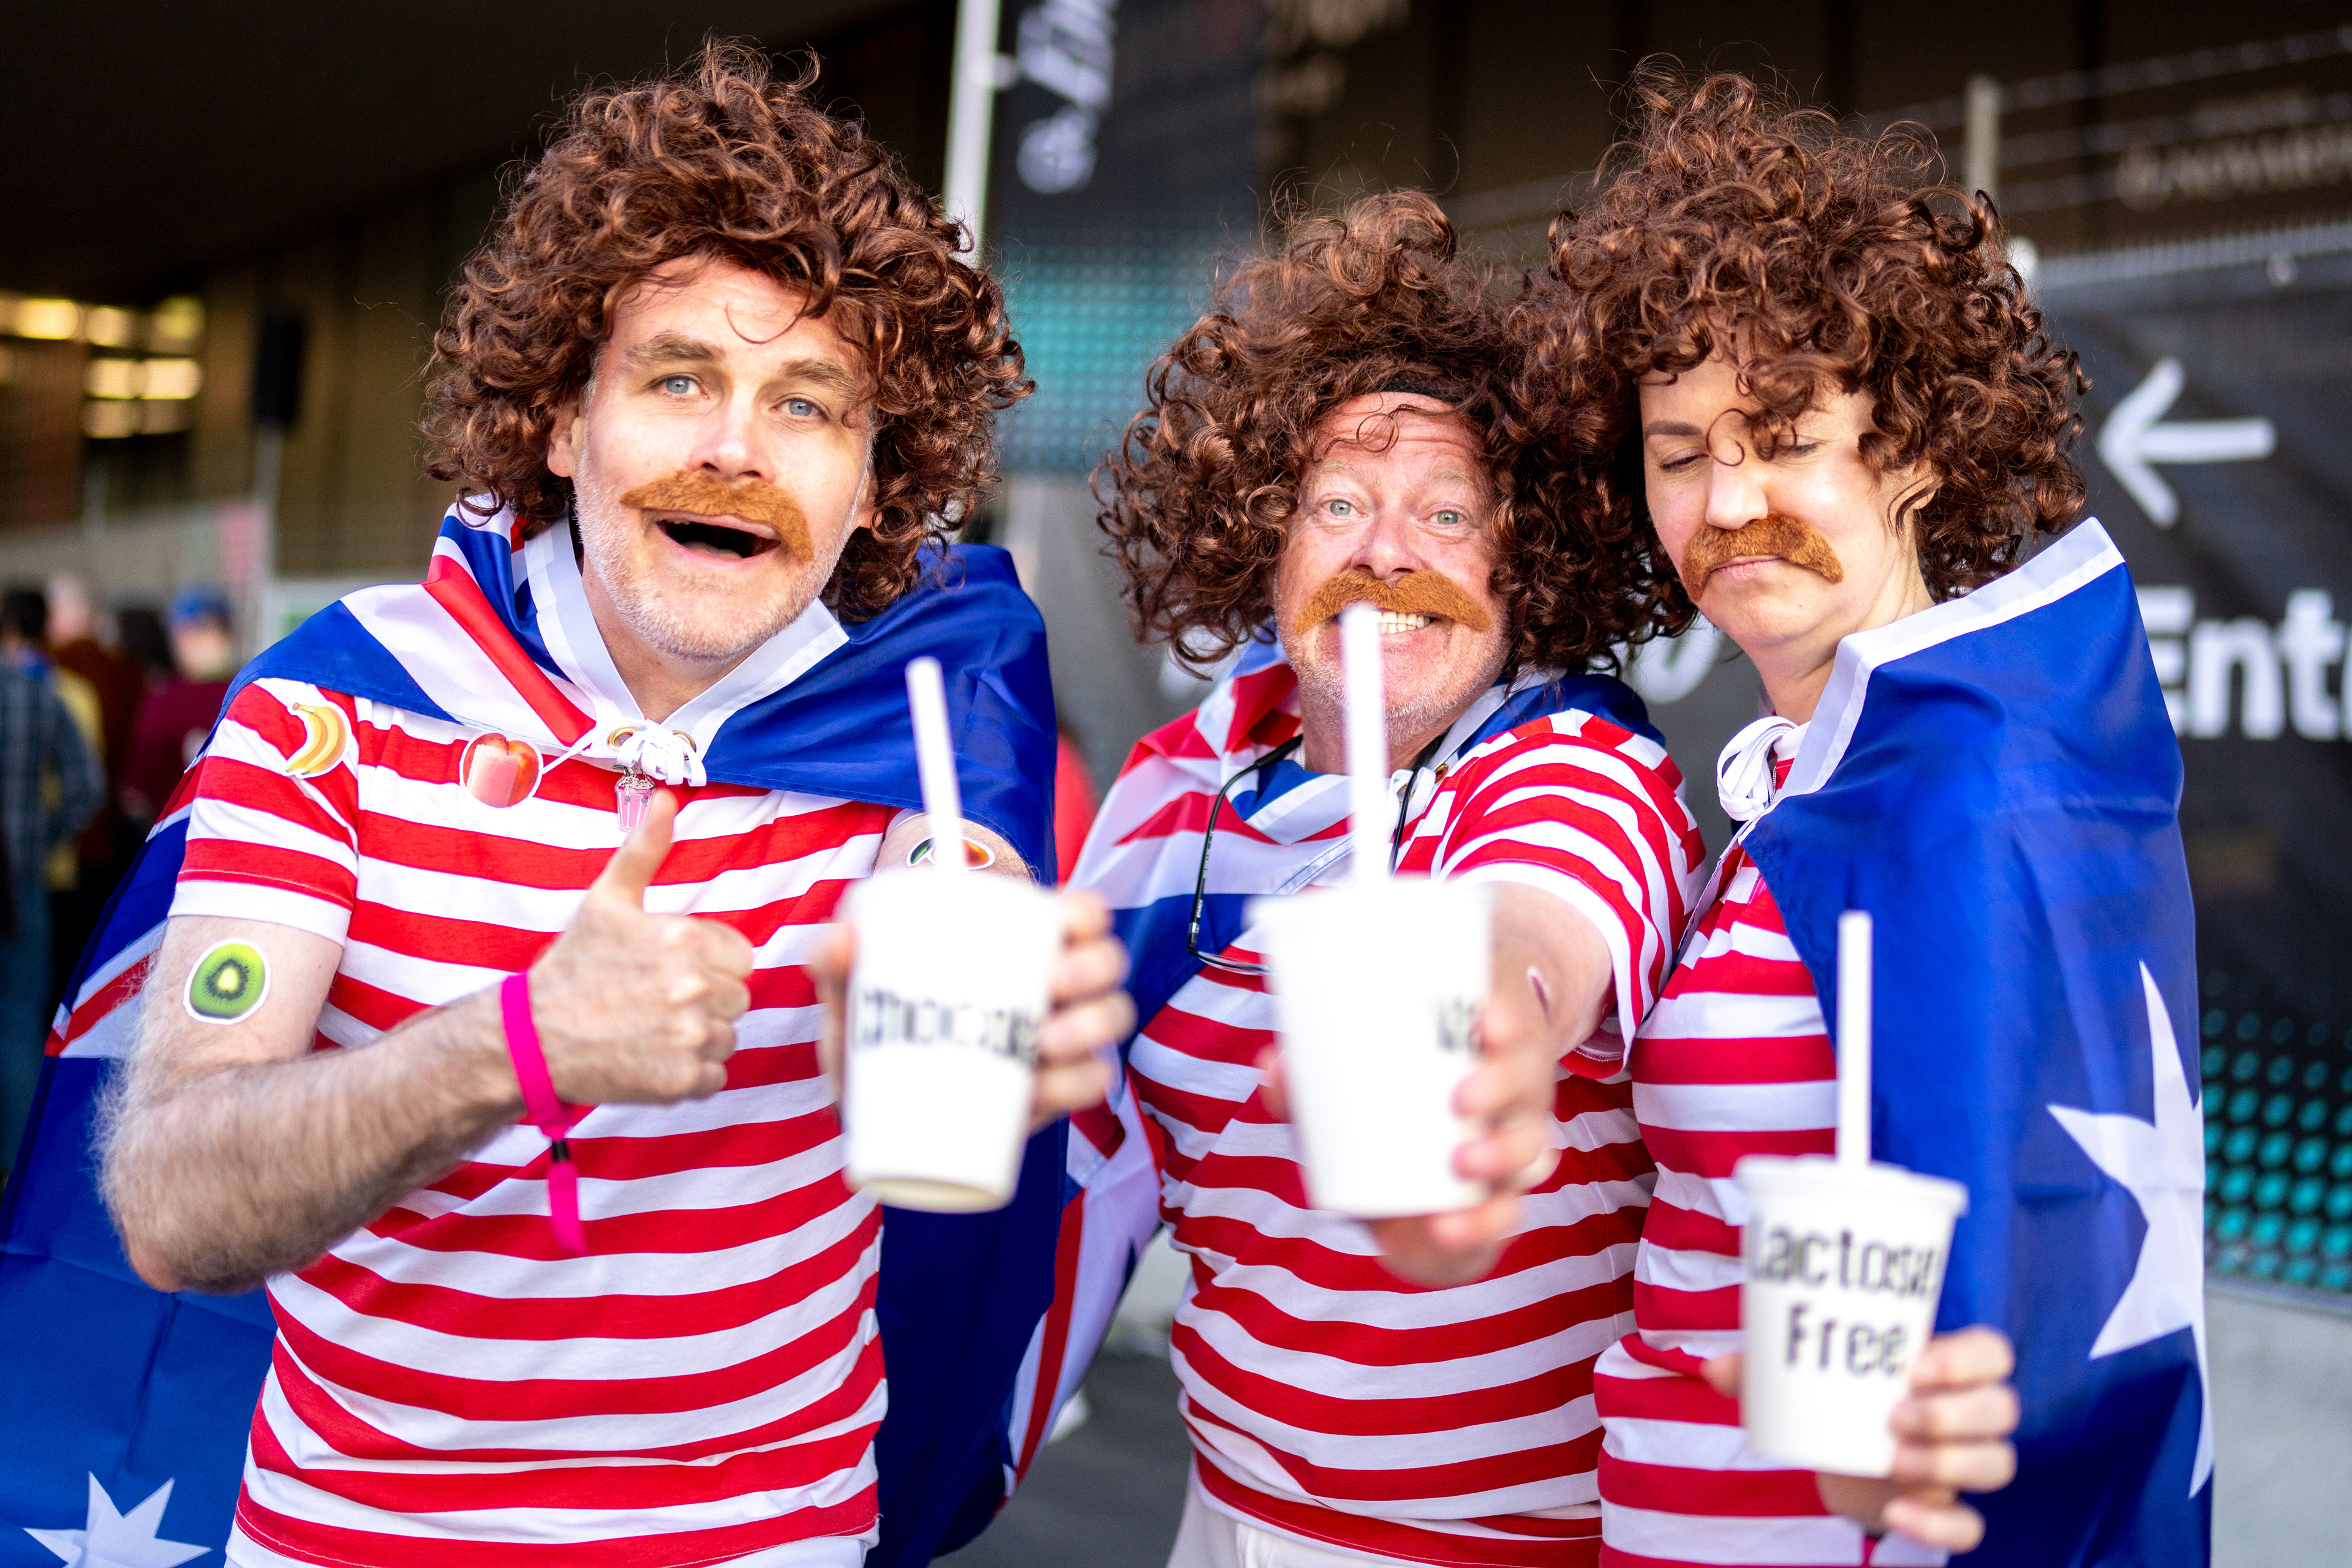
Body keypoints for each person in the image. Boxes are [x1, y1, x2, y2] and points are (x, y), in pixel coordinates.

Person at [79, 44, 1131, 1567]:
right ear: (564, 421)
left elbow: (957, 923)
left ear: (870, 485)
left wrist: (997, 1016)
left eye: (808, 405)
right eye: (679, 377)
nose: (735, 448)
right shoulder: (334, 714)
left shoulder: (915, 739)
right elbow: (171, 1202)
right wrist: (515, 1043)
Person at [1534, 70, 2201, 1566]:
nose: (1726, 502)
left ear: (1915, 444)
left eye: (1783, 433)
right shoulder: (1804, 785)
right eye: (1679, 451)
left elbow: (2050, 1241)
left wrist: (1961, 1407)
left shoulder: (1969, 789)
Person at [1066, 191, 1703, 1568]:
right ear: (1263, 540)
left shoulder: (1575, 763)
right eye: (1338, 504)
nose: (1388, 552)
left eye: (1447, 511)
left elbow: (1537, 921)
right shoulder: (1170, 798)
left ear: (1525, 558)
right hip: (1222, 1512)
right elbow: (1077, 1150)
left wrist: (1494, 1024)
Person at [0, 588, 100, 1170]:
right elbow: (87, 786)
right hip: (21, 883)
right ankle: (14, 1166)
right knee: (19, 1022)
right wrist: (41, 841)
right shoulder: (38, 697)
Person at [121, 584, 237, 823]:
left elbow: (136, 787)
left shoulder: (247, 691)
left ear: (225, 636)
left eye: (202, 631)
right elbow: (140, 776)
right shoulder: (164, 695)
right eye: (184, 633)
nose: (191, 642)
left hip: (224, 827)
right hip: (179, 827)